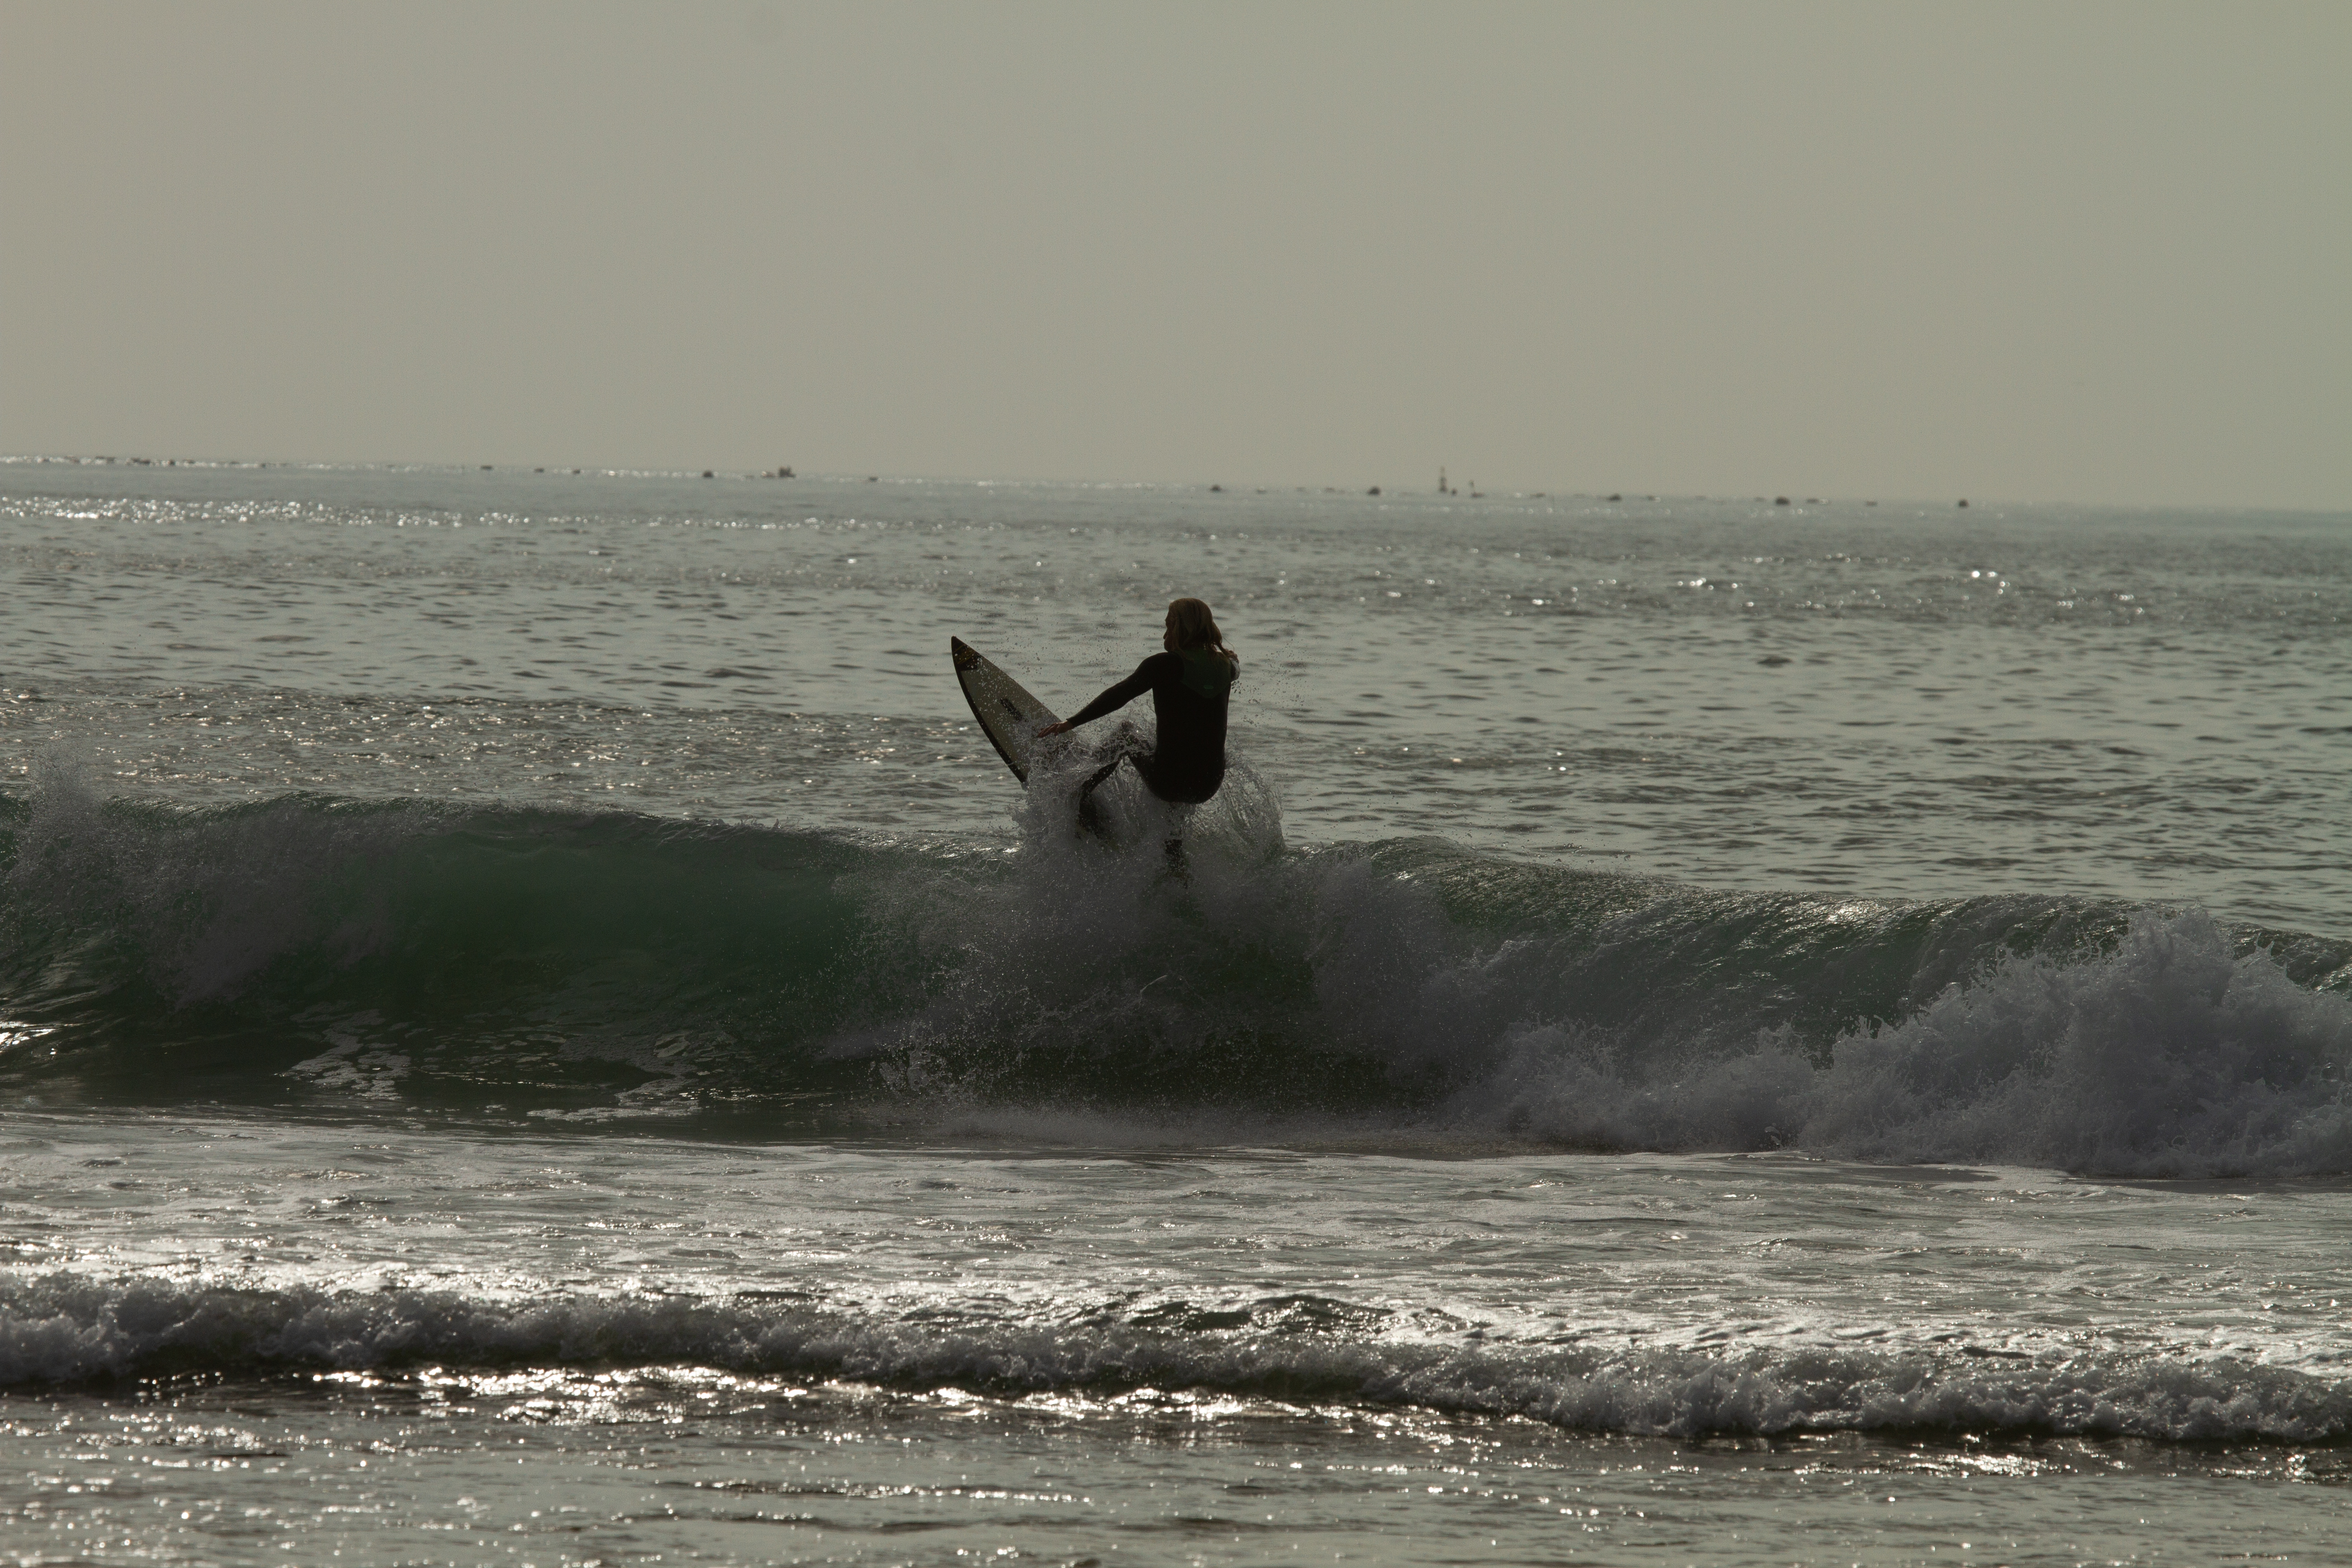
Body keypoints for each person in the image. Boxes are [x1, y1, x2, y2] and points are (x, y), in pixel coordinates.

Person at [1039, 598, 1239, 823]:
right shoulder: (1227, 667)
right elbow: (1235, 666)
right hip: (1208, 785)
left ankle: (1077, 791)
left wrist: (1071, 723)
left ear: (1181, 628)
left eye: (1168, 627)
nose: (1165, 636)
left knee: (1127, 733)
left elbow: (1119, 695)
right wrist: (1230, 659)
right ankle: (1173, 849)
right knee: (1182, 757)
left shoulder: (1164, 665)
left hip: (1168, 782)